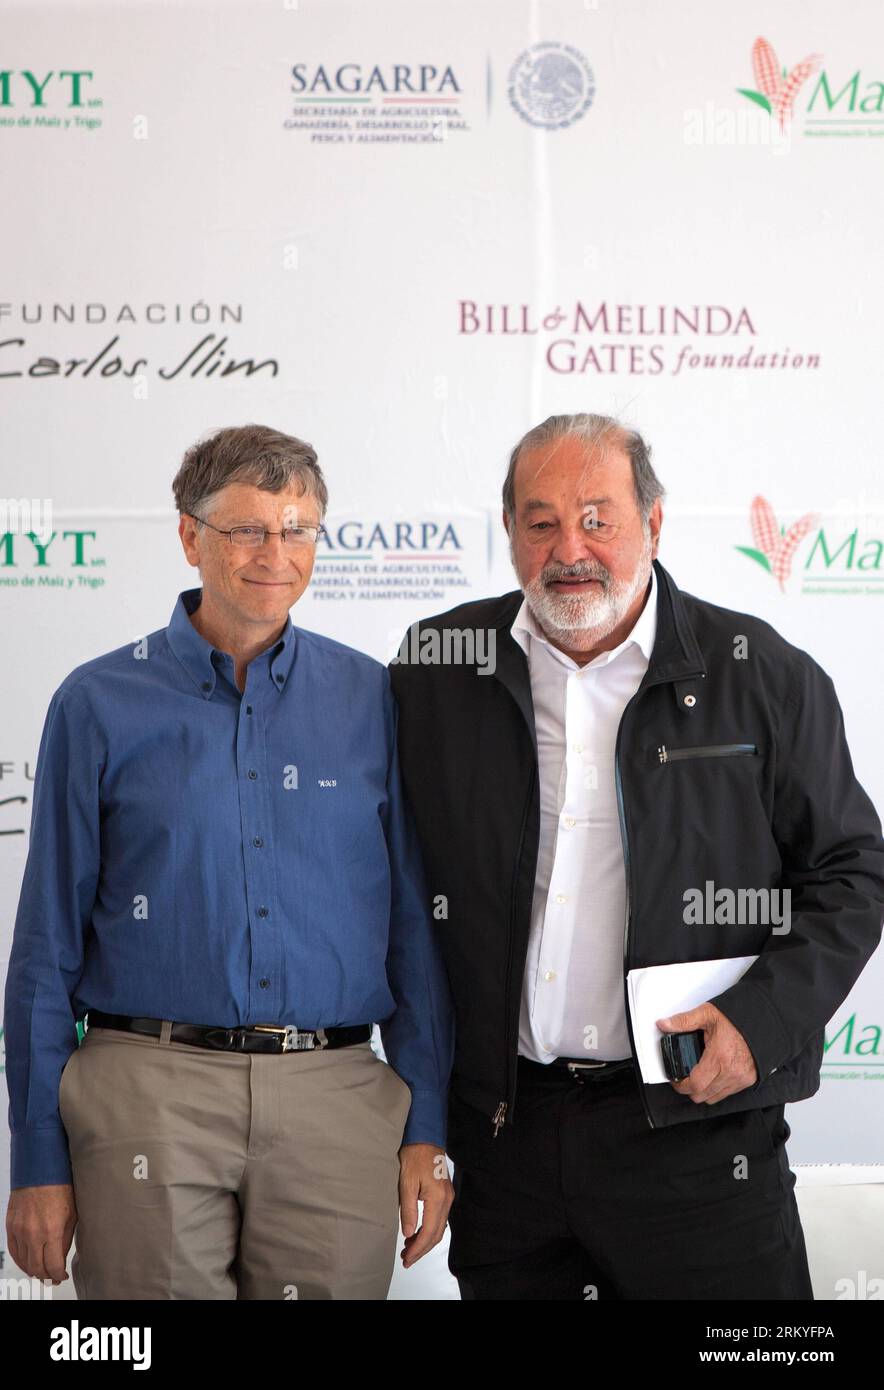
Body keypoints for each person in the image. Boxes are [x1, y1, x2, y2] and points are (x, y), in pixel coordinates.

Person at [389, 411, 884, 1300]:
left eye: (597, 518)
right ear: (509, 535)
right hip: (507, 1143)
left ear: (653, 525)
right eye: (540, 522)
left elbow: (852, 875)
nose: (568, 548)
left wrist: (761, 1025)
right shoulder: (436, 669)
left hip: (697, 1138)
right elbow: (390, 885)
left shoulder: (760, 675)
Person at [5, 423, 454, 1300]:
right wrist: (35, 1160)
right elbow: (43, 949)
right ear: (189, 535)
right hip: (145, 1098)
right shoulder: (98, 702)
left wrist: (428, 1125)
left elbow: (412, 923)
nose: (274, 554)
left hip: (337, 1099)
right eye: (247, 528)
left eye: (297, 529)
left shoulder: (376, 699)